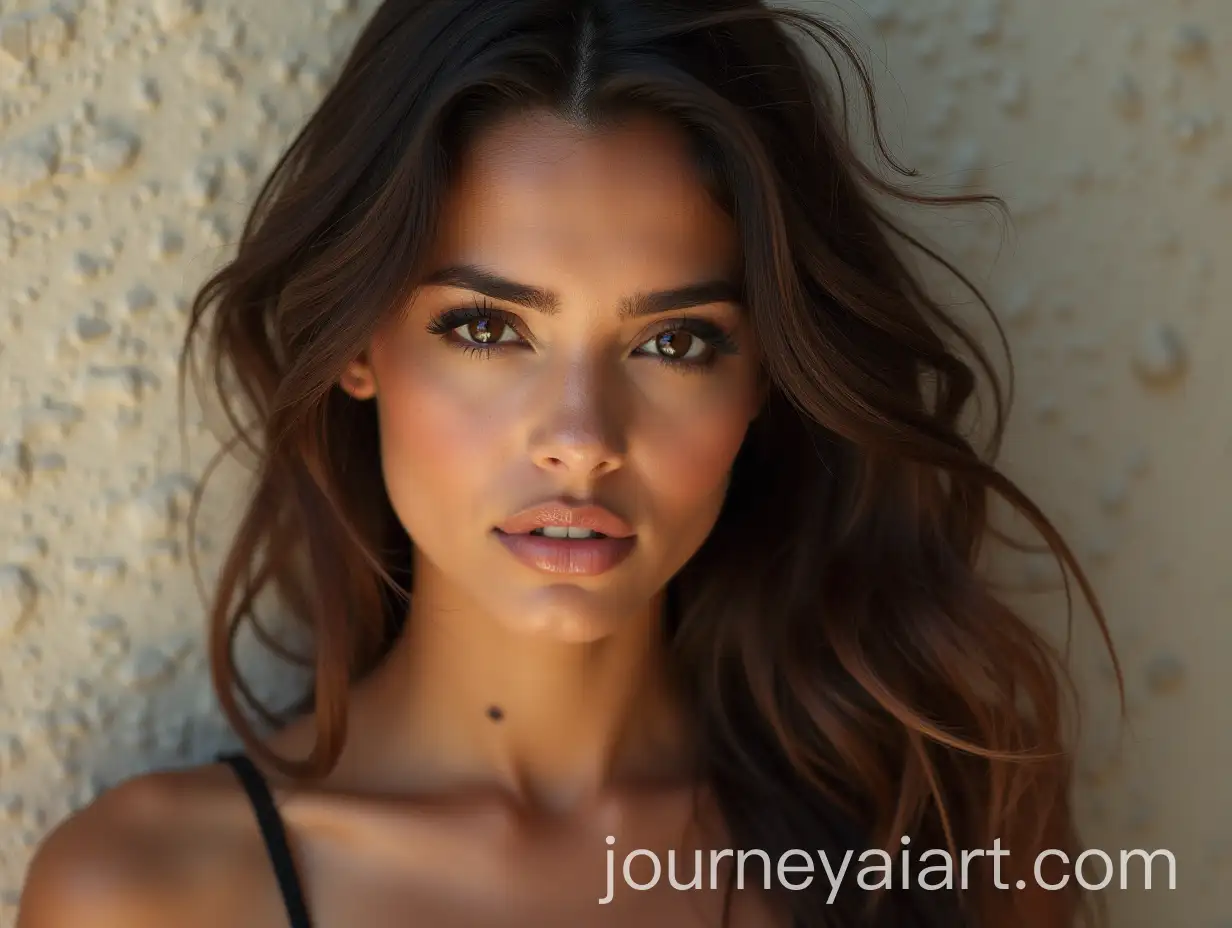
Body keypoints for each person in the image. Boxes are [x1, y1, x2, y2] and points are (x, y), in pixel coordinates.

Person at [16, 1, 1120, 926]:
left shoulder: (929, 849)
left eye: (675, 342)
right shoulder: (154, 894)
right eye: (488, 330)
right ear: (358, 343)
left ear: (765, 381)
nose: (582, 435)